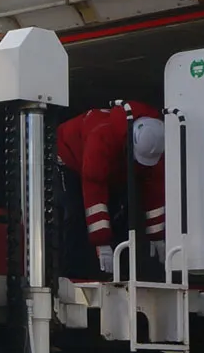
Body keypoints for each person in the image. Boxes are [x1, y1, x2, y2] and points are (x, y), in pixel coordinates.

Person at [55, 101, 164, 278]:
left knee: (120, 215)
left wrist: (157, 236)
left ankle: (123, 272)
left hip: (112, 167)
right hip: (69, 160)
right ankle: (72, 274)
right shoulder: (101, 136)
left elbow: (154, 192)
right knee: (75, 213)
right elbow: (94, 192)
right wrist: (101, 242)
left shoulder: (154, 147)